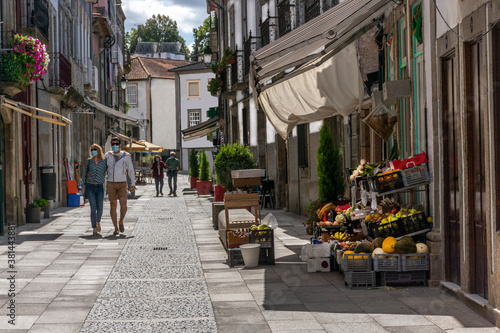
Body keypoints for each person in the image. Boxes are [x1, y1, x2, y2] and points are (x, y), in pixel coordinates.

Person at [105, 137, 135, 235]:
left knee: (123, 204)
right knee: (113, 205)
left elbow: (130, 170)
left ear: (120, 145)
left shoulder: (126, 156)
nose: (114, 146)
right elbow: (103, 168)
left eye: (116, 144)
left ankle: (121, 221)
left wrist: (133, 183)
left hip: (122, 182)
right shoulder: (107, 155)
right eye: (113, 144)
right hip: (110, 183)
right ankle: (115, 227)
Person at [81, 144, 107, 235]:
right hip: (90, 186)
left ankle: (98, 222)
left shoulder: (104, 161)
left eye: (95, 149)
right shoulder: (89, 161)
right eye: (91, 149)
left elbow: (109, 171)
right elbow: (84, 173)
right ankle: (94, 228)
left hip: (100, 186)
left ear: (99, 150)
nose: (93, 151)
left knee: (100, 208)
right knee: (93, 207)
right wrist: (83, 186)